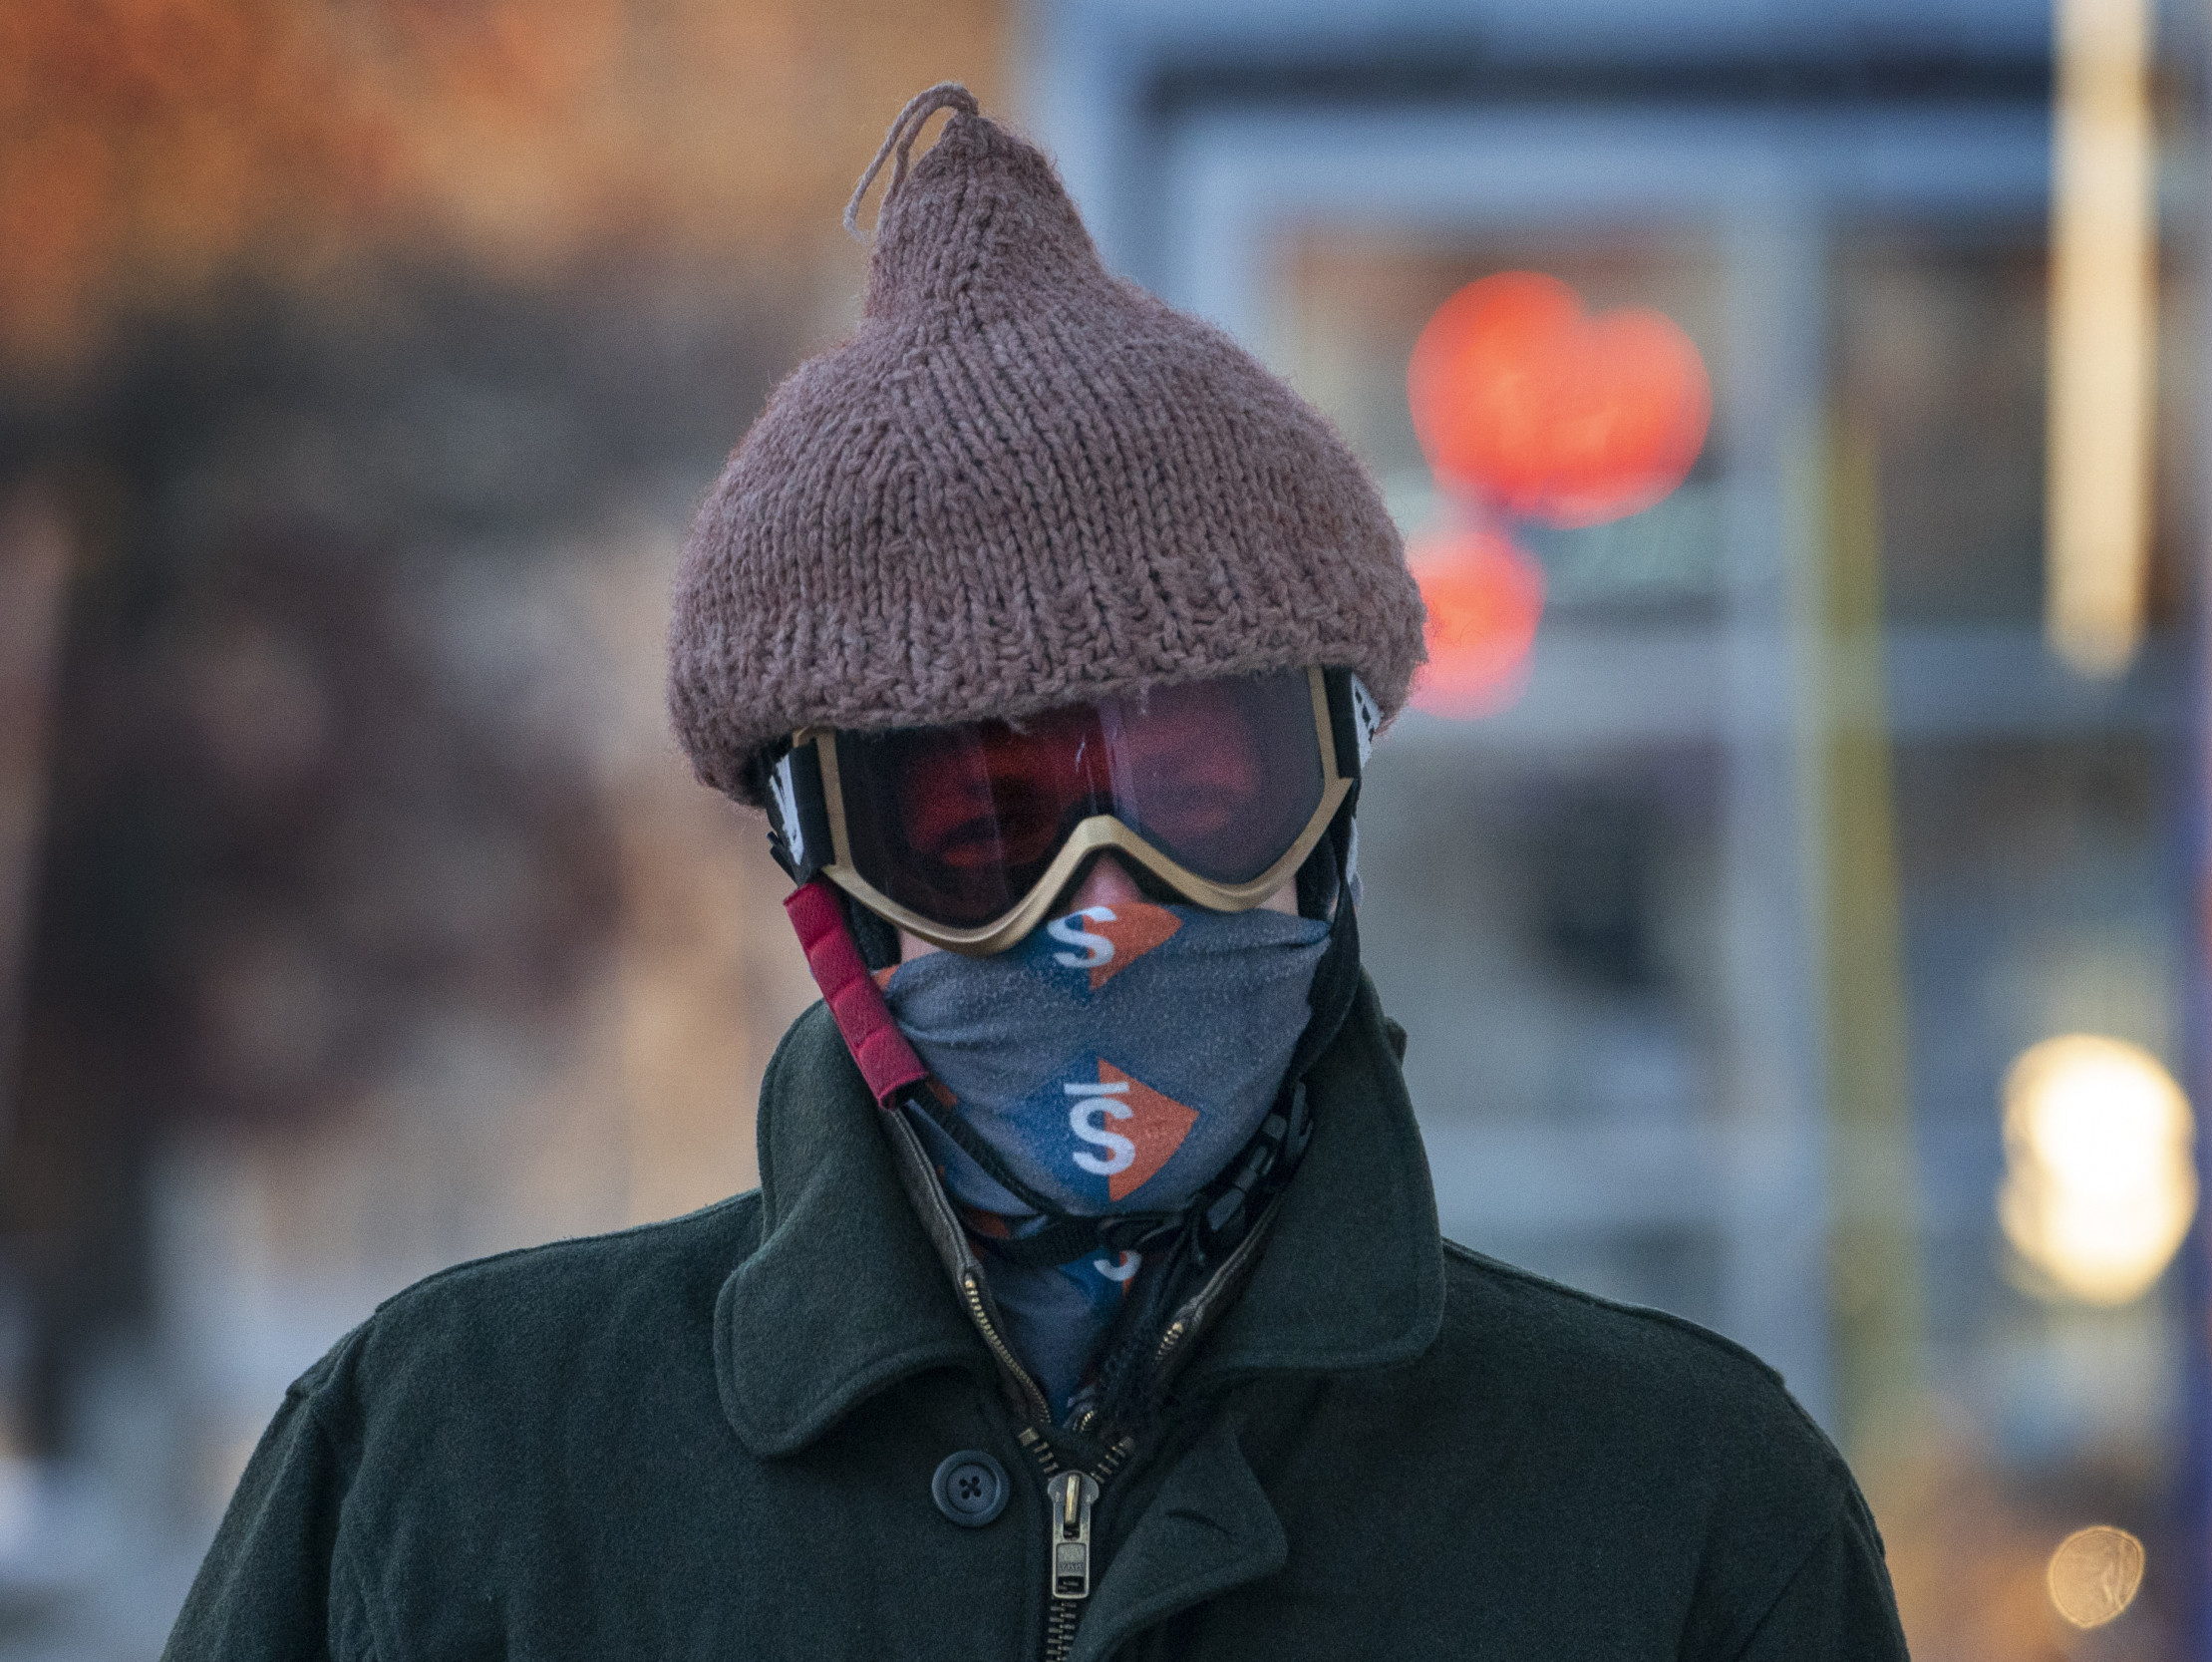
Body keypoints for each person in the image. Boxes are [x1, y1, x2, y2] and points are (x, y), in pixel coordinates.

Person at [167, 85, 1910, 1660]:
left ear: (1337, 809)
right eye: (972, 818)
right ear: (814, 864)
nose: (1100, 897)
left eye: (1199, 784)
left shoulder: (1683, 1522)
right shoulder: (455, 1476)